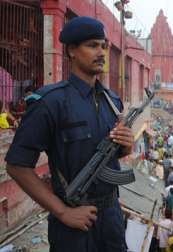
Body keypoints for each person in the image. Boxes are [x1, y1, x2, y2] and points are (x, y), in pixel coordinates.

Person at [5, 17, 134, 251]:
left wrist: (126, 145)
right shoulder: (50, 102)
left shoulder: (112, 102)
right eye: (92, 45)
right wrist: (63, 212)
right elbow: (16, 165)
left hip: (111, 216)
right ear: (72, 50)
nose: (101, 52)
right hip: (72, 226)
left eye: (103, 46)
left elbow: (114, 156)